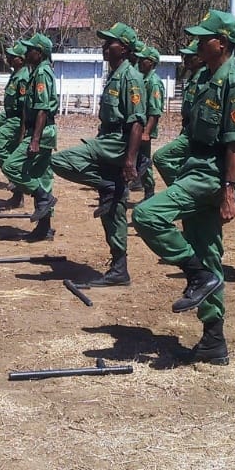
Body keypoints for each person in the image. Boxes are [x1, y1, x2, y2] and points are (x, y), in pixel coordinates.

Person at [133, 10, 235, 365]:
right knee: (208, 253)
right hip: (195, 168)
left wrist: (229, 193)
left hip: (211, 174)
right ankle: (214, 341)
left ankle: (196, 275)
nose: (199, 43)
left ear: (223, 43)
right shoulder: (206, 78)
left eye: (205, 38)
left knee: (147, 215)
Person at [51, 22, 146, 287]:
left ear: (124, 48)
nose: (104, 47)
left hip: (116, 143)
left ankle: (106, 184)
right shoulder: (115, 74)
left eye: (110, 43)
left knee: (59, 160)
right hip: (108, 139)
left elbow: (137, 122)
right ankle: (119, 269)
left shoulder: (131, 78)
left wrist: (130, 160)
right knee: (113, 209)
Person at [1, 33, 59, 241]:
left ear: (39, 53)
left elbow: (42, 109)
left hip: (41, 132)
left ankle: (44, 197)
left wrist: (33, 139)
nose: (25, 52)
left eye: (30, 49)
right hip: (41, 131)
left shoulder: (42, 73)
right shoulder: (36, 72)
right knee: (41, 176)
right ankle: (45, 229)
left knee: (11, 166)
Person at [151, 39, 204, 188]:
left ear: (200, 58)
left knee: (161, 157)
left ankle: (181, 190)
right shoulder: (193, 78)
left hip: (194, 134)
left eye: (189, 56)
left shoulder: (203, 79)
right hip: (186, 130)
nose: (185, 60)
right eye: (184, 56)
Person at [0, 41, 31, 207]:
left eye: (12, 56)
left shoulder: (24, 77)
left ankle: (13, 172)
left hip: (18, 120)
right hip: (9, 116)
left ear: (21, 59)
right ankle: (9, 162)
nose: (8, 58)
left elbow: (25, 107)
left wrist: (22, 132)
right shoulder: (15, 74)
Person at [135, 44, 165, 199]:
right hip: (139, 127)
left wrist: (146, 132)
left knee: (144, 160)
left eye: (143, 60)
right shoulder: (144, 79)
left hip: (145, 129)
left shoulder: (153, 82)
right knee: (139, 158)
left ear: (151, 62)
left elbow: (155, 111)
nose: (140, 62)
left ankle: (149, 191)